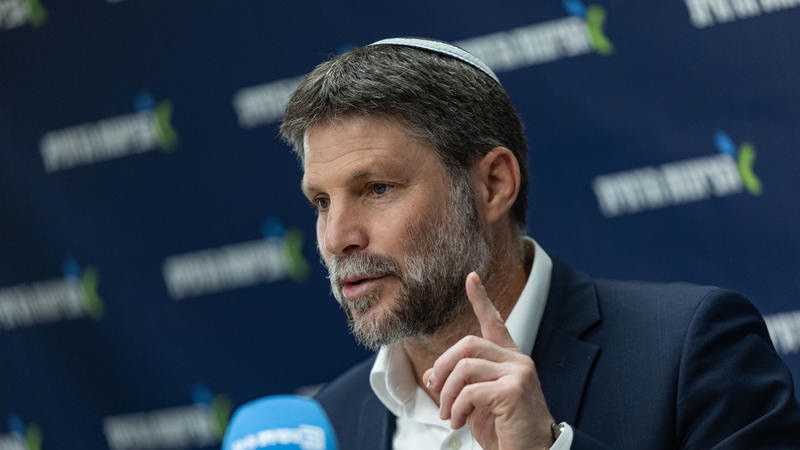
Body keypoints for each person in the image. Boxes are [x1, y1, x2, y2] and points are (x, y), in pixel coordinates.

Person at [279, 37, 800, 449]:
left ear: (493, 186)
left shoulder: (689, 351)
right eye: (321, 201)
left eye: (377, 189)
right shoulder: (328, 425)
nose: (337, 238)